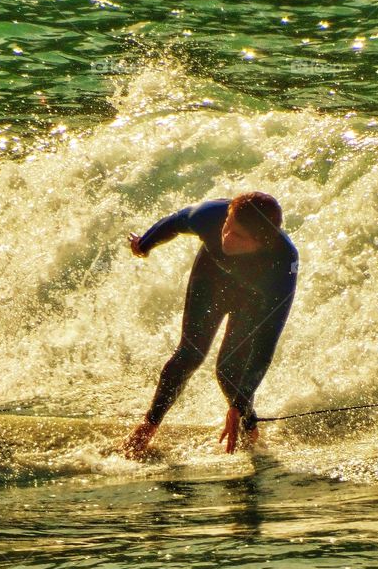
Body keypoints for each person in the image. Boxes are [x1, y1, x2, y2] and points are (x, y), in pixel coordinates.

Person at [120, 192, 298, 459]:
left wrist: (238, 404)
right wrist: (144, 244)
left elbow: (265, 344)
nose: (227, 237)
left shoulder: (281, 265)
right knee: (190, 353)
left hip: (252, 301)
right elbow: (175, 222)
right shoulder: (211, 215)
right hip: (211, 280)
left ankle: (249, 427)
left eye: (239, 237)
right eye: (228, 226)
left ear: (261, 242)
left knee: (228, 372)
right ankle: (148, 426)